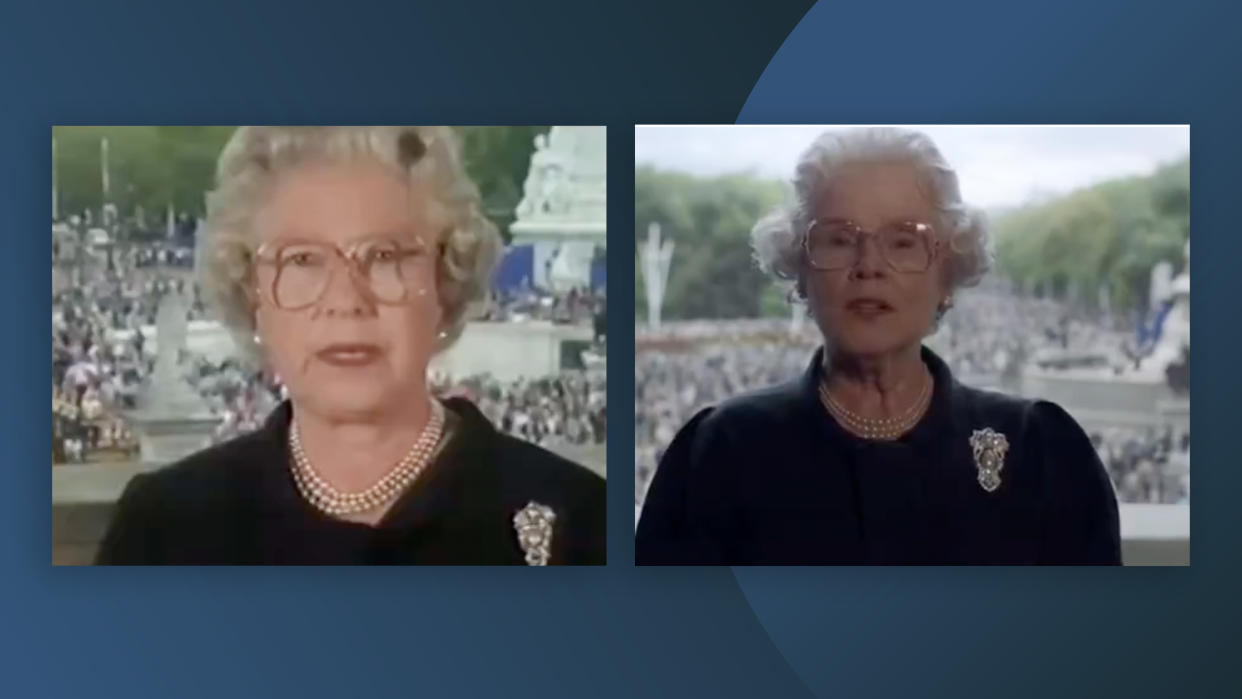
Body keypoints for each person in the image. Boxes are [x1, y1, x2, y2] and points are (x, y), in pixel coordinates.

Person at [97, 126, 605, 565]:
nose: (346, 300)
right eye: (301, 260)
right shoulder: (161, 529)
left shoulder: (581, 525)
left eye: (385, 255)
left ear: (446, 286)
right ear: (252, 296)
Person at [636, 128, 1120, 565]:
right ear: (801, 273)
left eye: (904, 242)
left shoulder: (1042, 454)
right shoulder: (718, 455)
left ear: (948, 275)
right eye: (839, 240)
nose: (869, 265)